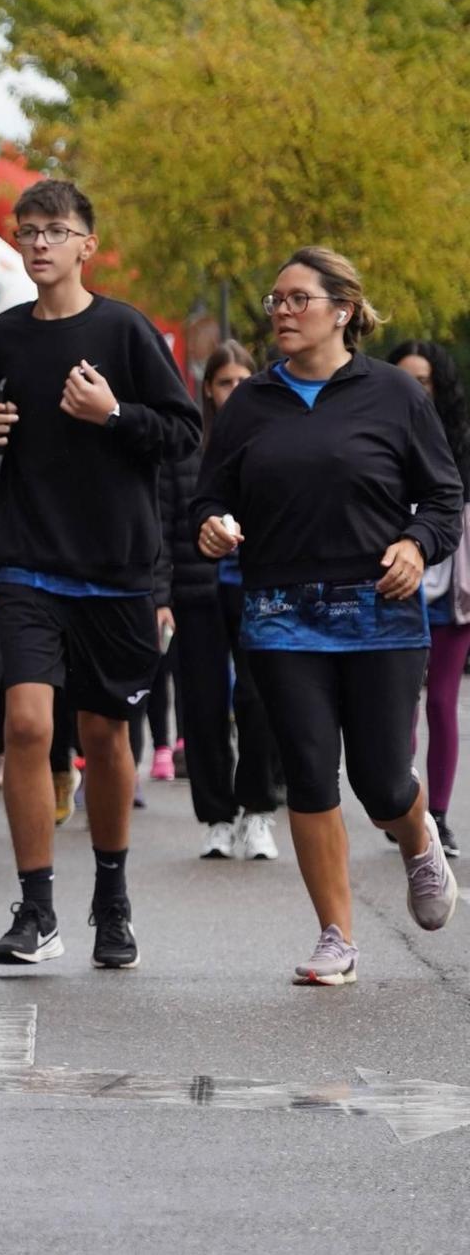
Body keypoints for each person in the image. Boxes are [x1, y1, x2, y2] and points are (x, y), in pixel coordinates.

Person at [194, 247, 461, 984]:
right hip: (280, 610)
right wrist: (214, 523)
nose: (280, 311)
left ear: (342, 310)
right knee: (309, 771)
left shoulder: (394, 395)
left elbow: (443, 497)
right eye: (274, 300)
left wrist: (416, 542)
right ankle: (336, 935)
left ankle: (416, 839)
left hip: (380, 610)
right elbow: (207, 496)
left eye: (297, 299)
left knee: (379, 780)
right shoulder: (249, 402)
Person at [0, 179, 201, 972]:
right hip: (28, 562)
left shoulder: (126, 332)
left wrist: (116, 415)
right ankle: (35, 908)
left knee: (103, 734)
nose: (37, 244)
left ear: (85, 246)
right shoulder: (2, 338)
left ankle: (112, 897)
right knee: (27, 725)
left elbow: (180, 434)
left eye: (54, 231)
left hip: (116, 569)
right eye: (27, 231)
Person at [168, 341, 283, 861]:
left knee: (259, 701)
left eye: (241, 380)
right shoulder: (188, 443)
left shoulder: (272, 437)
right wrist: (160, 594)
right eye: (223, 382)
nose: (233, 391)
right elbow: (168, 516)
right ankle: (216, 816)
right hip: (196, 590)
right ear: (208, 389)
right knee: (203, 702)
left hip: (258, 588)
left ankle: (258, 811)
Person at [391, 340, 470, 858]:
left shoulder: (460, 442)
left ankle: (437, 814)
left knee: (441, 703)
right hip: (396, 587)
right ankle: (402, 803)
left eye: (423, 381)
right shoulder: (377, 434)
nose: (414, 389)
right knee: (398, 705)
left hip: (453, 593)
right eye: (404, 379)